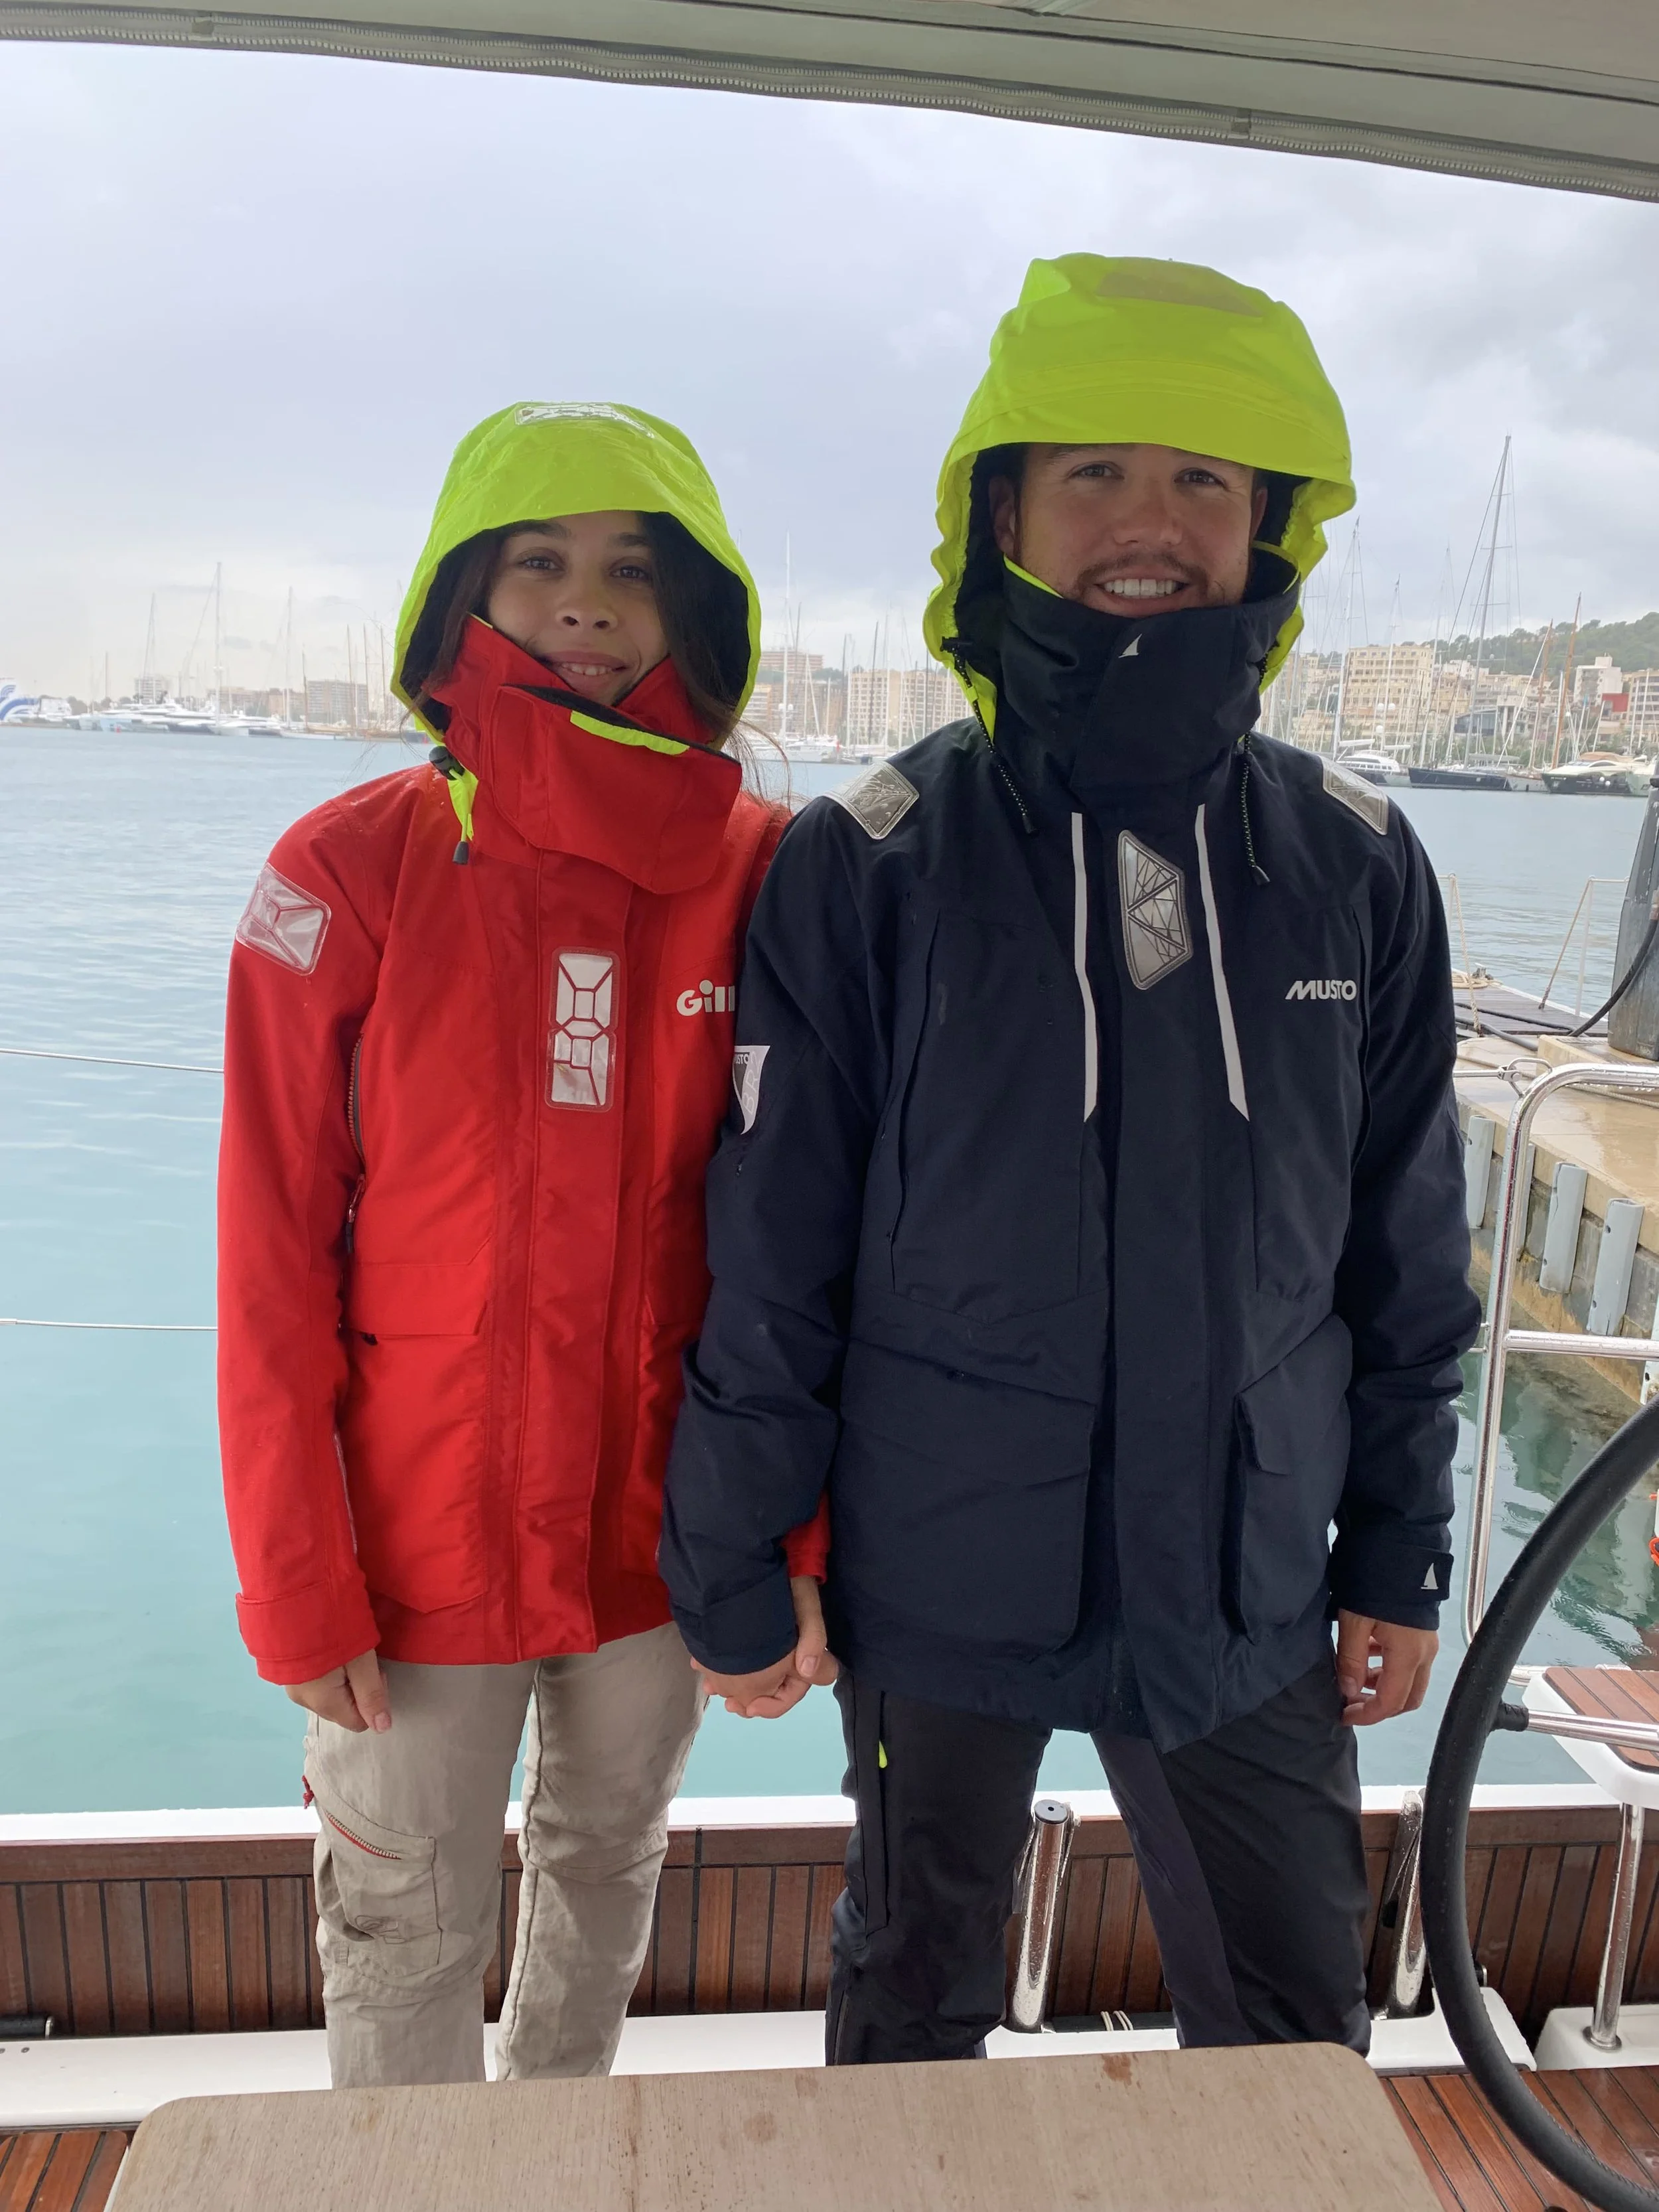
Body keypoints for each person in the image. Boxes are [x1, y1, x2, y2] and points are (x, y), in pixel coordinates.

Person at [660, 258, 1481, 2062]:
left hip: (1248, 1586)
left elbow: (1406, 1254)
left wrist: (1398, 1548)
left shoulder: (1353, 863)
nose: (1147, 523)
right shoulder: (869, 861)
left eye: (1201, 479)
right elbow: (775, 1251)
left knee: (1293, 2020)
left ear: (1266, 528)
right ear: (1002, 516)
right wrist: (728, 1556)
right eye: (1093, 472)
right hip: (935, 1576)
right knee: (908, 1983)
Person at [217, 400, 827, 2089]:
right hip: (408, 1547)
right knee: (400, 1913)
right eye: (537, 561)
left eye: (632, 569)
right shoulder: (341, 872)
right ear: (462, 601)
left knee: (605, 1867)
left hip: (666, 1531)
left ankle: (560, 2160)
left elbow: (809, 1244)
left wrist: (796, 1538)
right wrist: (294, 1579)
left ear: (694, 607)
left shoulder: (772, 875)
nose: (584, 603)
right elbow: (267, 1265)